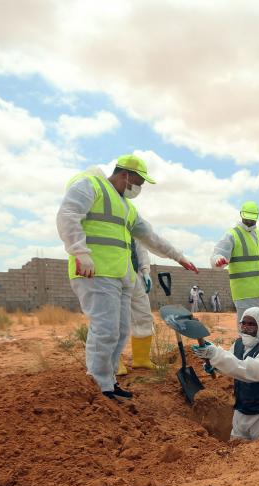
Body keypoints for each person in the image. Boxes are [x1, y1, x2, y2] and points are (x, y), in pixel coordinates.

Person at [57, 153, 197, 401]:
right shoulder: (90, 184)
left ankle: (108, 382)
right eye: (138, 183)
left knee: (120, 331)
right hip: (94, 272)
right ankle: (100, 386)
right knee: (105, 330)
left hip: (120, 276)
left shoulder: (126, 207)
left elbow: (150, 237)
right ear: (124, 175)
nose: (138, 189)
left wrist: (179, 257)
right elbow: (68, 215)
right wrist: (80, 251)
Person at [193, 307, 259, 442]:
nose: (246, 327)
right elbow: (231, 362)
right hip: (242, 411)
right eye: (244, 323)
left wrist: (216, 355)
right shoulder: (238, 344)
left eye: (251, 324)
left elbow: (247, 371)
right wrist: (214, 364)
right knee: (236, 452)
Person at [211, 201, 259, 336]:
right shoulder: (232, 235)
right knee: (247, 331)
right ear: (241, 215)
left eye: (251, 218)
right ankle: (246, 356)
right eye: (246, 217)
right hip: (245, 293)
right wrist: (218, 260)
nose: (248, 221)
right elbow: (217, 254)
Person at [116, 239, 157, 376]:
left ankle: (141, 359)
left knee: (144, 316)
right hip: (111, 275)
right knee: (114, 320)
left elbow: (141, 249)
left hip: (134, 275)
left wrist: (145, 271)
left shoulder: (131, 222)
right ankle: (114, 362)